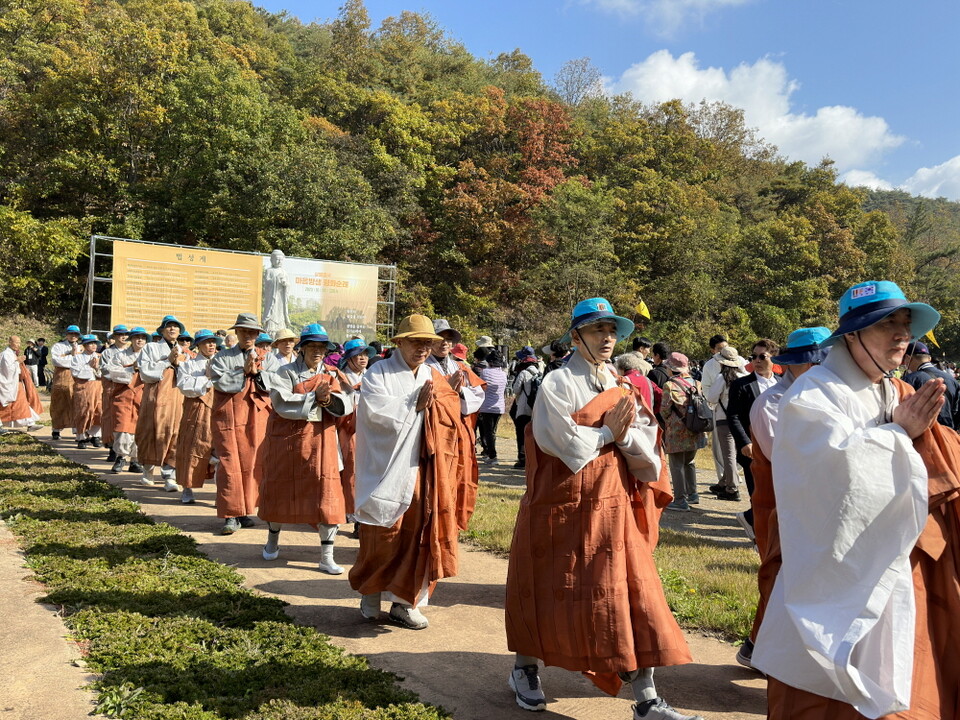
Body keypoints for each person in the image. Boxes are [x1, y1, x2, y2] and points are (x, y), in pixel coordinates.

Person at [753, 281, 960, 720]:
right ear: (851, 334)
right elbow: (827, 486)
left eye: (905, 322)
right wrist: (898, 434)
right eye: (887, 323)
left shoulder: (892, 389)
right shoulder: (813, 397)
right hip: (834, 574)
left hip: (892, 563)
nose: (902, 334)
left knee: (898, 677)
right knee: (829, 692)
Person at [505, 298, 699, 720]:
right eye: (597, 330)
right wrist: (610, 432)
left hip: (612, 503)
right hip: (560, 502)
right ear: (576, 336)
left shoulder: (618, 380)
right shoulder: (558, 382)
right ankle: (524, 668)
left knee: (630, 593)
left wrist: (619, 435)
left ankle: (647, 699)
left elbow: (644, 439)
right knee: (544, 584)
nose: (608, 338)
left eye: (612, 330)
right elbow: (562, 442)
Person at [349, 315, 473, 631]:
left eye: (427, 343)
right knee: (384, 534)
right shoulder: (378, 374)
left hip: (424, 469)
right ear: (399, 342)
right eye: (416, 341)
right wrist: (412, 405)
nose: (422, 348)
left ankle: (407, 603)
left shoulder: (433, 375)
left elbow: (448, 417)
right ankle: (372, 591)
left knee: (420, 534)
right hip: (387, 469)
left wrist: (449, 396)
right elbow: (375, 416)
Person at [734, 326, 829, 671]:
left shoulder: (814, 396)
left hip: (804, 504)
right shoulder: (771, 403)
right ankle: (758, 647)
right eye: (815, 362)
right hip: (776, 504)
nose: (821, 368)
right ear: (795, 364)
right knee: (777, 577)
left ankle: (763, 647)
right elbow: (785, 459)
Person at [258, 324, 352, 574]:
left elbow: (346, 403)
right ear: (302, 349)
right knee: (280, 490)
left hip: (322, 442)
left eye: (322, 347)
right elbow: (280, 401)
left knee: (327, 495)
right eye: (312, 347)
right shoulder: (285, 371)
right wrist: (313, 397)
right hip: (289, 441)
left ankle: (327, 555)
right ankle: (272, 540)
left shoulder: (332, 374)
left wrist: (328, 399)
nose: (318, 352)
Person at [209, 313, 275, 535]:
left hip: (256, 418)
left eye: (252, 331)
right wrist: (243, 371)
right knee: (229, 463)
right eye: (244, 331)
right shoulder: (222, 357)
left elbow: (275, 383)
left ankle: (244, 510)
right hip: (228, 417)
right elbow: (218, 381)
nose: (248, 335)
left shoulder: (267, 357)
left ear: (258, 334)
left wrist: (257, 374)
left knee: (252, 462)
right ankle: (229, 514)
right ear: (236, 332)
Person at [426, 318, 486, 526]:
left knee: (458, 476)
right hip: (432, 430)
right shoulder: (422, 367)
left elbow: (477, 397)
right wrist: (447, 390)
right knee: (434, 477)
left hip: (459, 429)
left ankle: (451, 522)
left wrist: (459, 392)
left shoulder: (460, 367)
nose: (444, 343)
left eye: (449, 339)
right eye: (440, 338)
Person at [726, 339, 780, 537]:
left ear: (773, 358)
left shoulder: (782, 384)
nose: (756, 361)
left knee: (778, 493)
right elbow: (733, 416)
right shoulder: (741, 385)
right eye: (753, 357)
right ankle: (759, 531)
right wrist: (745, 442)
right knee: (757, 493)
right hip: (753, 450)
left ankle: (766, 527)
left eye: (762, 356)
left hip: (778, 448)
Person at [135, 315, 186, 491]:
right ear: (162, 330)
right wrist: (167, 361)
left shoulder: (182, 350)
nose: (172, 329)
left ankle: (169, 475)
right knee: (151, 430)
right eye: (169, 326)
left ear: (180, 332)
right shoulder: (151, 347)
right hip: (155, 395)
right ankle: (148, 471)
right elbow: (146, 372)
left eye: (175, 327)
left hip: (176, 396)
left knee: (174, 432)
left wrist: (178, 363)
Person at [174, 329, 221, 505]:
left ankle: (221, 493)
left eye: (213, 342)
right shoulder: (189, 365)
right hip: (195, 410)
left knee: (220, 450)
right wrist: (207, 379)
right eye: (206, 342)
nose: (211, 345)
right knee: (192, 447)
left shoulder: (221, 362)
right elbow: (184, 386)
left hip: (217, 410)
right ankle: (187, 488)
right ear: (198, 345)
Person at [337, 338, 376, 533]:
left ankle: (361, 511)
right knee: (351, 469)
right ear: (349, 359)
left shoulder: (373, 376)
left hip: (372, 429)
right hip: (349, 430)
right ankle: (351, 510)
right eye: (358, 355)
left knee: (370, 470)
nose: (363, 358)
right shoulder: (341, 378)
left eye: (365, 354)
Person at [659, 352, 704, 512]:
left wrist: (670, 420)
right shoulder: (697, 383)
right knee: (689, 462)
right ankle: (693, 494)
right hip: (695, 428)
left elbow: (664, 409)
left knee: (676, 465)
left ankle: (680, 500)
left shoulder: (669, 385)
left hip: (677, 431)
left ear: (671, 368)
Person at [704, 345, 747, 501]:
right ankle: (724, 482)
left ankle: (732, 488)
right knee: (736, 453)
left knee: (728, 454)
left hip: (724, 419)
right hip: (743, 420)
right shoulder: (745, 376)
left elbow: (712, 398)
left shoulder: (722, 378)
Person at [102, 327, 148, 474]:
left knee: (139, 428)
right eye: (136, 337)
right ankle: (121, 457)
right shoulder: (120, 356)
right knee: (122, 426)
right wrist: (132, 369)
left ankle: (135, 460)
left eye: (142, 337)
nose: (139, 340)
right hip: (123, 395)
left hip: (143, 395)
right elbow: (112, 372)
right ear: (131, 339)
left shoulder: (149, 356)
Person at [902, 340, 960, 429]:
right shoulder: (952, 379)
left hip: (924, 435)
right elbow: (956, 412)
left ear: (907, 358)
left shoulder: (910, 379)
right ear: (929, 358)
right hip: (949, 434)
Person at [100, 325, 130, 463]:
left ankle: (126, 451)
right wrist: (121, 373)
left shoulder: (131, 352)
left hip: (129, 388)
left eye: (125, 334)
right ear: (114, 337)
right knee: (110, 416)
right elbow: (105, 371)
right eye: (120, 335)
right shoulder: (108, 353)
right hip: (112, 387)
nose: (123, 337)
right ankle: (111, 447)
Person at [0, 336, 42, 431]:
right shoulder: (6, 354)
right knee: (5, 407)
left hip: (16, 383)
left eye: (19, 342)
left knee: (22, 404)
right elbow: (7, 370)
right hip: (9, 384)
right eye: (16, 342)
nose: (18, 345)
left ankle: (30, 423)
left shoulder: (12, 354)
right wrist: (17, 362)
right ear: (10, 342)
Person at [510, 346, 541, 470]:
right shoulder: (540, 372)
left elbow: (515, 389)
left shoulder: (524, 373)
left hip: (523, 408)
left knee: (521, 434)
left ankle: (522, 459)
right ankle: (532, 459)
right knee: (532, 435)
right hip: (535, 409)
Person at [70, 334, 103, 449]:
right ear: (84, 345)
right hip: (83, 386)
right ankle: (82, 436)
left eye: (95, 343)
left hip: (98, 386)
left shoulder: (100, 357)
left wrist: (97, 368)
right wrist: (89, 367)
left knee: (99, 410)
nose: (94, 345)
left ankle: (96, 435)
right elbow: (75, 373)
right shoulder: (77, 358)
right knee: (84, 410)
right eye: (91, 343)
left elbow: (103, 373)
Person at [475, 348, 507, 465]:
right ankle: (491, 454)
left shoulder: (484, 372)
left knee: (488, 432)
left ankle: (492, 456)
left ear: (490, 362)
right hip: (499, 406)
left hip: (486, 406)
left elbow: (480, 387)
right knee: (493, 431)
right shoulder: (504, 374)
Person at [50, 325, 81, 439]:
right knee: (59, 403)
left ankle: (77, 430)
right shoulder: (58, 346)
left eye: (75, 334)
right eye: (71, 334)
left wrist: (72, 359)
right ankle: (56, 429)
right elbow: (56, 360)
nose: (73, 336)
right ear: (66, 335)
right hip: (61, 376)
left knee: (76, 402)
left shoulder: (81, 347)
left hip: (76, 378)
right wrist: (72, 358)